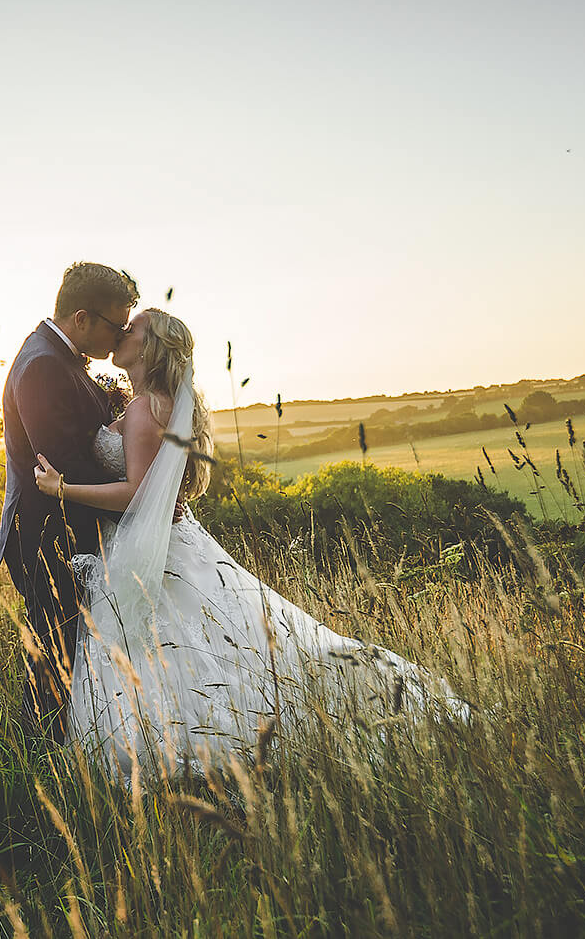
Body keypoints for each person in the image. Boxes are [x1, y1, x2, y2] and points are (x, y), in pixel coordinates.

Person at [34, 309, 469, 776]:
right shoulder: (155, 401)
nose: (122, 332)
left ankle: (192, 743)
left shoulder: (144, 409)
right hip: (169, 539)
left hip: (155, 546)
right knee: (211, 645)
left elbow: (138, 494)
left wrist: (64, 490)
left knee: (173, 644)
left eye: (132, 329)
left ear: (149, 347)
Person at [0, 261, 139, 748]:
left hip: (70, 529)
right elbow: (62, 465)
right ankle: (39, 765)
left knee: (70, 654)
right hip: (46, 535)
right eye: (115, 326)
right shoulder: (41, 366)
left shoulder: (61, 359)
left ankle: (57, 753)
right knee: (54, 659)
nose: (119, 338)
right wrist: (141, 494)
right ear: (82, 318)